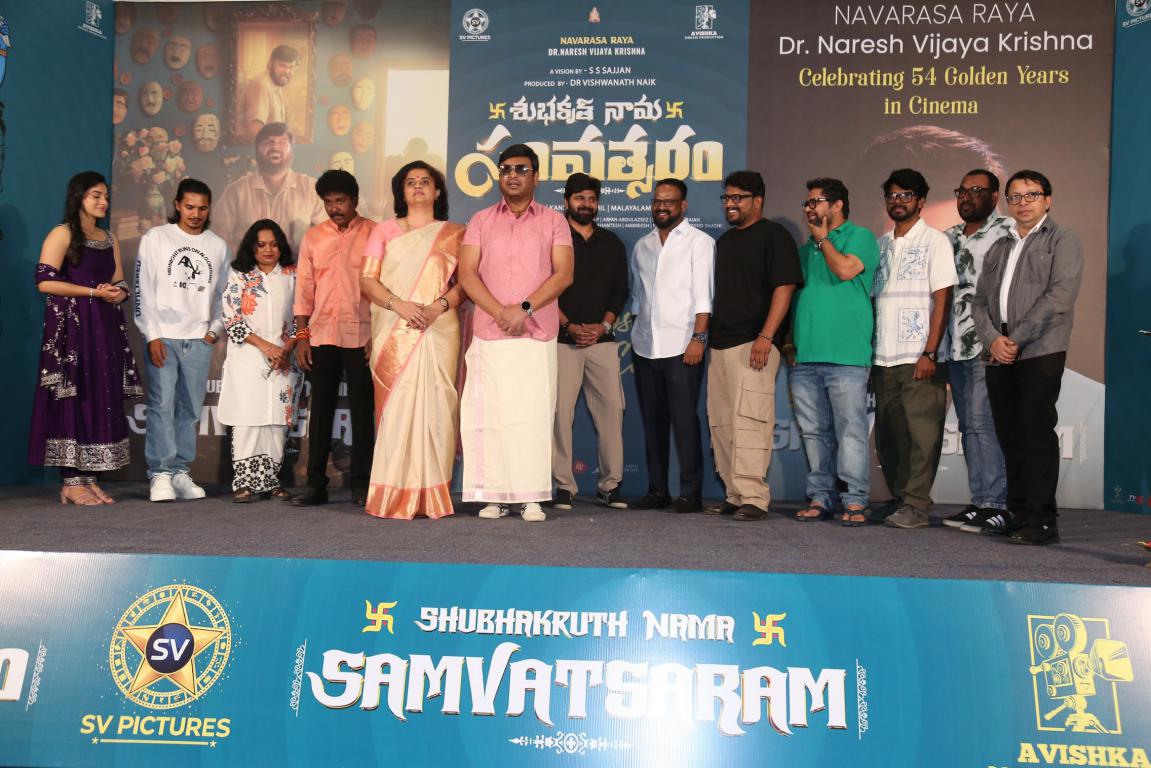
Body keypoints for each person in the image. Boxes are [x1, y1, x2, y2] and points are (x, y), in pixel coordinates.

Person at [457, 144, 574, 522]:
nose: (512, 175)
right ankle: (493, 495)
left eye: (521, 169)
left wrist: (523, 310)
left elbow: (563, 275)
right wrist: (500, 313)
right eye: (506, 169)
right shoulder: (480, 220)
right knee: (490, 416)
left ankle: (530, 497)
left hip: (535, 333)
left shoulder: (554, 221)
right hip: (490, 333)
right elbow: (467, 275)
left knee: (532, 416)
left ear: (536, 177)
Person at [972, 170, 1083, 545]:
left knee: (1036, 434)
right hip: (999, 352)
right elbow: (979, 302)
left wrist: (1015, 340)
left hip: (1039, 350)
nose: (1022, 203)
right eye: (1015, 197)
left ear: (1047, 199)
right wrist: (993, 340)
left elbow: (1060, 297)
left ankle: (1042, 520)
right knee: (1010, 434)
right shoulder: (999, 246)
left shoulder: (1063, 239)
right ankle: (1018, 513)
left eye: (1031, 195)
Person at [359, 161, 466, 519]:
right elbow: (367, 280)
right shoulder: (383, 231)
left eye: (425, 181)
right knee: (396, 407)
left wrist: (437, 307)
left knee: (437, 407)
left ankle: (432, 495)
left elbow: (465, 284)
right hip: (394, 326)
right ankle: (391, 492)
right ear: (401, 192)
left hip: (438, 328)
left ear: (437, 191)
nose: (418, 186)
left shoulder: (455, 233)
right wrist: (399, 305)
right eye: (410, 182)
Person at [28, 171, 142, 504]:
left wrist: (117, 293)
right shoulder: (62, 233)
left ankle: (89, 478)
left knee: (99, 395)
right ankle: (71, 480)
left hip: (105, 327)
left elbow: (120, 282)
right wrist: (92, 292)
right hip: (73, 332)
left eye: (106, 196)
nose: (103, 202)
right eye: (96, 195)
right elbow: (44, 282)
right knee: (73, 396)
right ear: (79, 196)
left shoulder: (109, 238)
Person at [706, 171, 802, 521]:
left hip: (754, 343)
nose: (730, 204)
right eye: (727, 198)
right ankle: (734, 493)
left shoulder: (775, 236)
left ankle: (754, 497)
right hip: (720, 344)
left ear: (757, 200)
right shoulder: (724, 242)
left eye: (738, 198)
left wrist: (766, 336)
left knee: (750, 421)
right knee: (722, 423)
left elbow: (784, 287)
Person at [788, 178, 881, 526]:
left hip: (847, 356)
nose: (809, 208)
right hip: (806, 356)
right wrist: (790, 342)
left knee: (850, 432)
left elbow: (844, 270)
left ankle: (855, 500)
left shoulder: (861, 237)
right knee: (814, 433)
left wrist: (823, 239)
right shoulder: (805, 250)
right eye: (807, 203)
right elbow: (795, 299)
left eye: (816, 201)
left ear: (838, 205)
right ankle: (821, 497)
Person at [871, 168, 957, 529]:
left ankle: (917, 506)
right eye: (892, 195)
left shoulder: (935, 241)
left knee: (923, 436)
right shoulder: (879, 245)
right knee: (890, 436)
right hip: (882, 357)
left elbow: (943, 298)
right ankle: (901, 499)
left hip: (920, 357)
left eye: (906, 195)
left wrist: (930, 352)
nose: (898, 201)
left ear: (921, 202)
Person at [135, 178, 229, 502]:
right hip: (164, 336)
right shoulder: (156, 238)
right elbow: (143, 288)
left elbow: (225, 293)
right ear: (177, 205)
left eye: (202, 208)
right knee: (161, 405)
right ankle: (159, 472)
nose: (195, 213)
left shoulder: (217, 245)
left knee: (190, 409)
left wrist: (214, 330)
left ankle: (179, 471)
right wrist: (152, 334)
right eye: (189, 207)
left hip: (199, 339)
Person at [629, 178, 715, 513]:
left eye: (668, 201)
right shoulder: (643, 245)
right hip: (645, 346)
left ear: (683, 205)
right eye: (657, 201)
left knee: (684, 422)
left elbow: (704, 297)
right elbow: (638, 296)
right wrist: (636, 332)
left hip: (683, 346)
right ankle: (657, 490)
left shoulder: (700, 242)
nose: (661, 207)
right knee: (653, 423)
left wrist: (698, 338)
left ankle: (690, 494)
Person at [292, 170, 377, 507]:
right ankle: (316, 485)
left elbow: (384, 286)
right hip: (322, 334)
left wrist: (378, 332)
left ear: (354, 200)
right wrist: (302, 336)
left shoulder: (375, 234)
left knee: (363, 413)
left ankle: (362, 484)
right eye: (328, 202)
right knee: (321, 412)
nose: (334, 208)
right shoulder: (313, 238)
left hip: (362, 333)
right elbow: (303, 290)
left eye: (340, 201)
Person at [551, 173, 629, 511]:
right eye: (580, 198)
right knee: (559, 415)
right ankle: (563, 486)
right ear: (567, 201)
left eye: (592, 199)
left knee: (612, 413)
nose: (586, 204)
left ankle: (610, 486)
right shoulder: (553, 240)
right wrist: (568, 326)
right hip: (561, 341)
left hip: (603, 343)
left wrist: (602, 326)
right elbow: (544, 290)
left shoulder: (611, 243)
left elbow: (620, 291)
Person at [940, 170, 1013, 534]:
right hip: (954, 346)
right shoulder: (948, 237)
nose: (966, 197)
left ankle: (997, 504)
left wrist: (1001, 337)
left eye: (976, 190)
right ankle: (981, 499)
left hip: (987, 345)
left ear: (995, 196)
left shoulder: (1008, 232)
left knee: (985, 424)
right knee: (969, 426)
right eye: (962, 190)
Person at [218, 220, 302, 502]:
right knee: (248, 418)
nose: (268, 250)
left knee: (277, 421)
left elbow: (303, 315)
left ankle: (271, 481)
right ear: (251, 247)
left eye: (274, 244)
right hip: (249, 357)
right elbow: (231, 318)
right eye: (261, 244)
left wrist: (286, 348)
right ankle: (244, 483)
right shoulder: (239, 274)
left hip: (284, 359)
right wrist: (267, 347)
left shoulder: (293, 274)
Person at [213, 122, 326, 254]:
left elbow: (331, 235)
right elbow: (216, 238)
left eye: (282, 142)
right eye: (268, 142)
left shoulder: (312, 189)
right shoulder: (236, 191)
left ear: (291, 150)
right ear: (257, 150)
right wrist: (246, 256)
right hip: (246, 265)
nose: (275, 147)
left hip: (297, 265)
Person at [238, 45, 297, 142]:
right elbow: (255, 129)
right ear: (270, 63)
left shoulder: (274, 84)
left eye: (291, 67)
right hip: (263, 149)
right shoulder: (261, 85)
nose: (287, 71)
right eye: (282, 66)